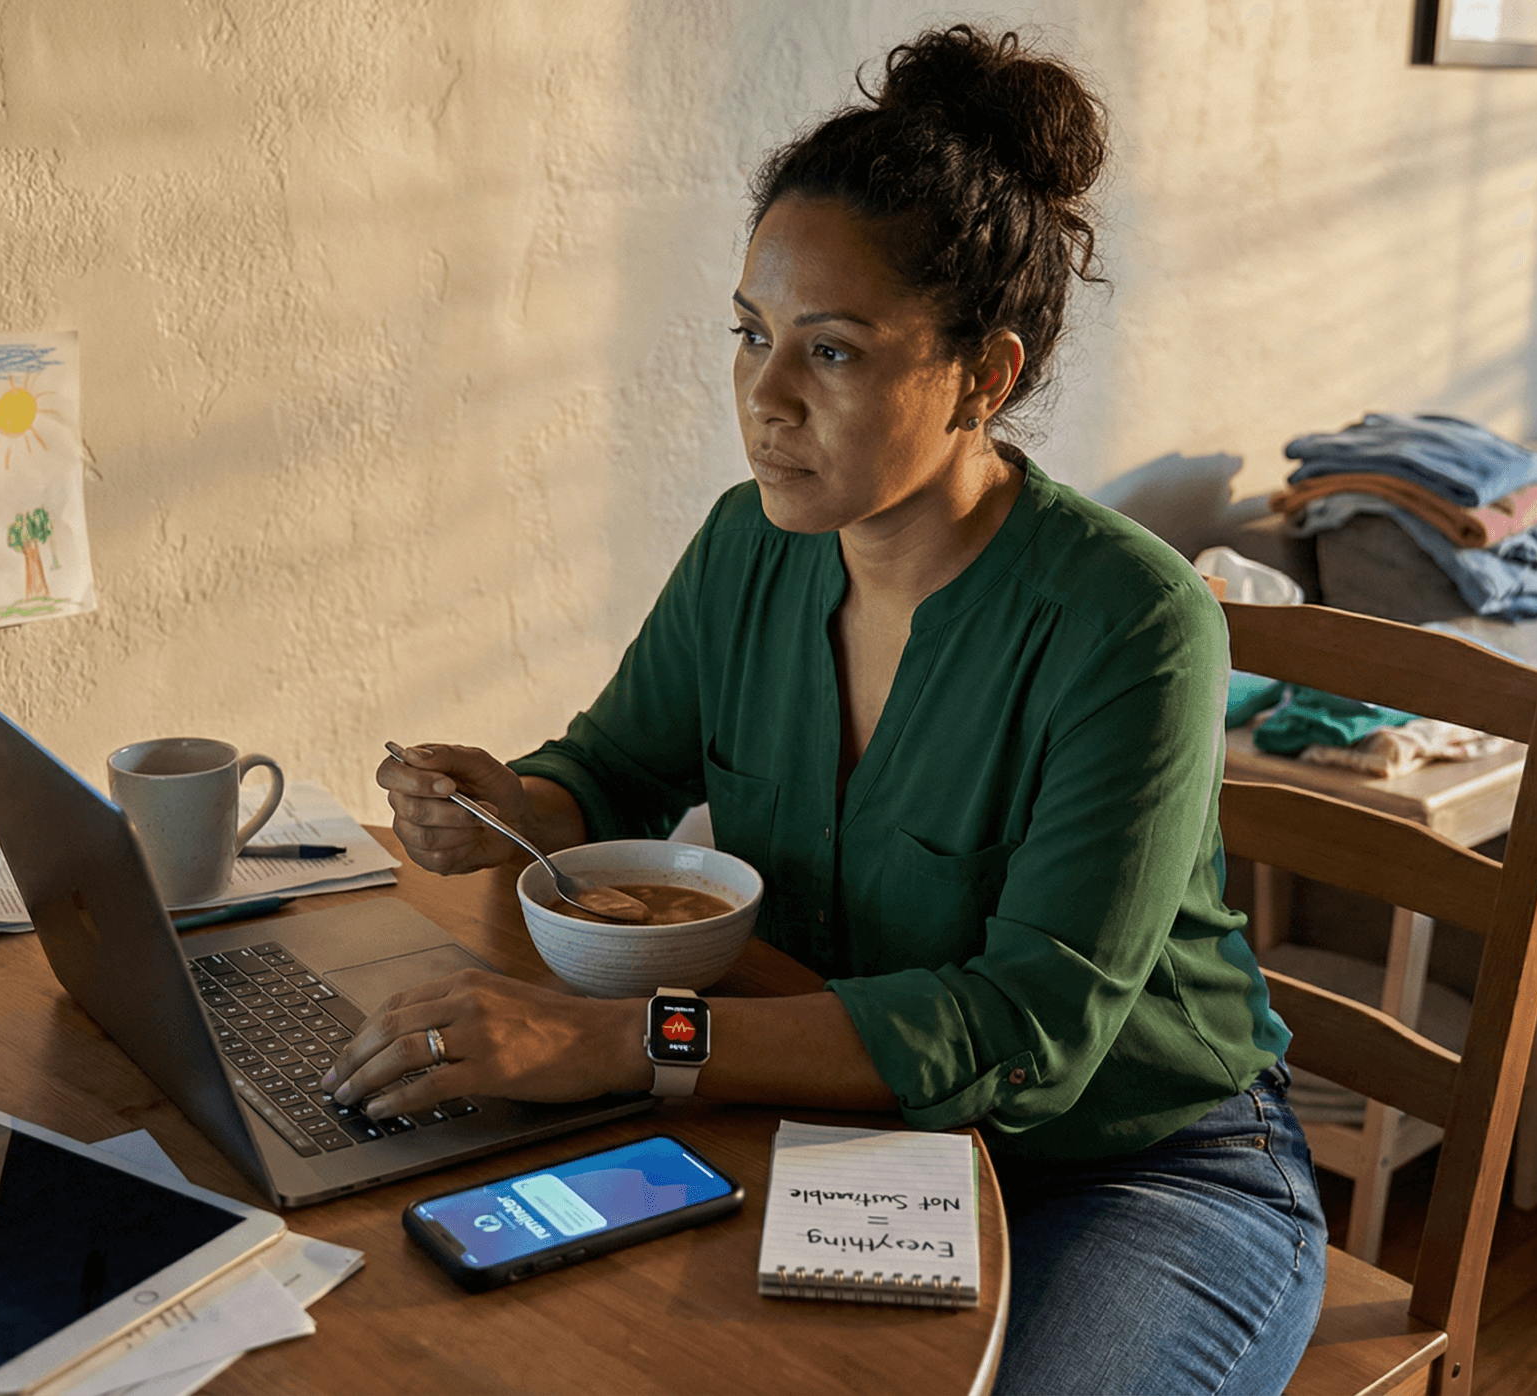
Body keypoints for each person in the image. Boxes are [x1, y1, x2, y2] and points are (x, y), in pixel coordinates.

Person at [327, 25, 1325, 1394]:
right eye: (751, 335)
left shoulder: (1134, 624)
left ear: (990, 374)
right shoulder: (751, 546)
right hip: (827, 1116)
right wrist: (504, 806)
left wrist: (623, 1041)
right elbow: (612, 773)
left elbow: (1024, 1032)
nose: (765, 397)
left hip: (1134, 1167)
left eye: (834, 353)